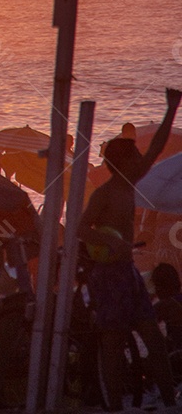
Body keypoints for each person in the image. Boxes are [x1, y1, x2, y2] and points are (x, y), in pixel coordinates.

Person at [79, 88, 182, 412]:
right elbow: (81, 229)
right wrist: (108, 241)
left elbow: (155, 149)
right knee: (112, 344)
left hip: (129, 274)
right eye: (134, 157)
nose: (141, 160)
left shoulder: (130, 182)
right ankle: (114, 408)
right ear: (120, 162)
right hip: (108, 276)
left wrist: (171, 109)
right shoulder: (105, 194)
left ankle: (168, 402)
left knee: (152, 336)